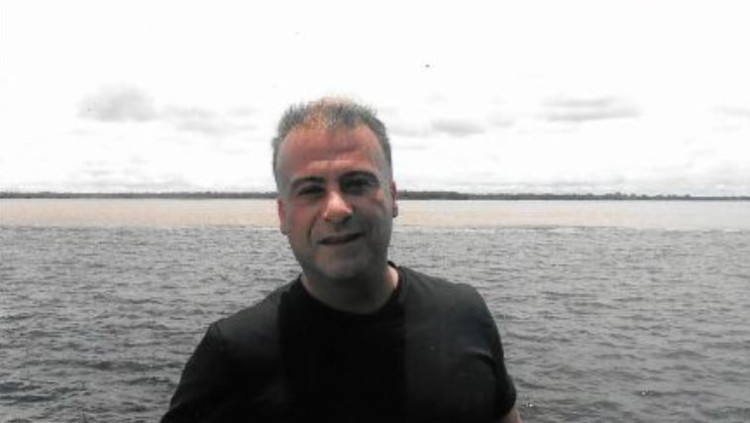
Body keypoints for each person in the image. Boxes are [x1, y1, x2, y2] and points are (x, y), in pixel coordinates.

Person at [162, 97, 522, 423]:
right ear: (283, 215)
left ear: (393, 197)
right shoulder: (232, 355)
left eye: (357, 183)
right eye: (311, 190)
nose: (336, 208)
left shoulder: (465, 312)